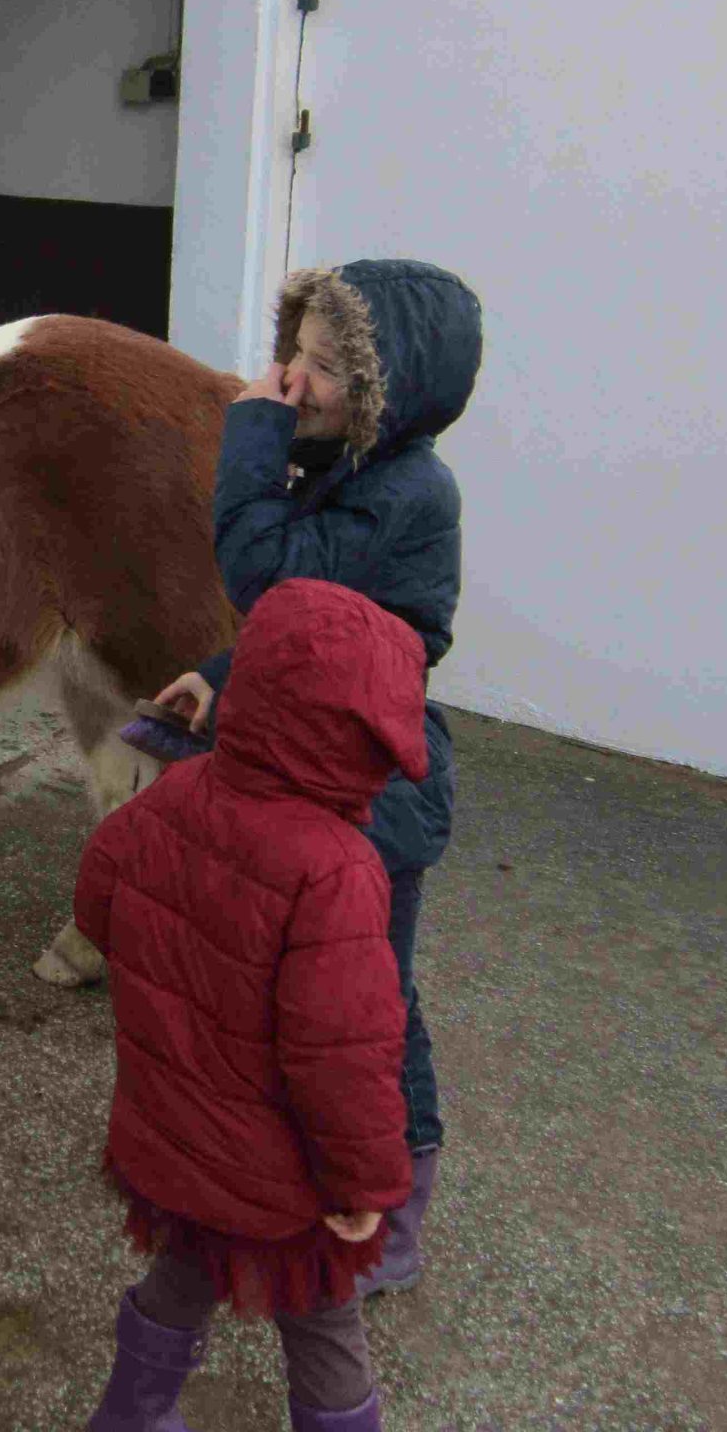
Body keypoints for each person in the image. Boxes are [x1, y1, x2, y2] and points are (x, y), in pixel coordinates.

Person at [154, 260, 482, 1296]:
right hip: (321, 768)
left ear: (390, 391)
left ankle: (395, 1215)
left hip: (377, 791)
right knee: (301, 998)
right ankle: (305, 1178)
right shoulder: (350, 472)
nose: (293, 380)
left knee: (370, 1007)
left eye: (327, 366)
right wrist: (219, 677)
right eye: (293, 353)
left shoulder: (408, 492)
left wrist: (252, 436)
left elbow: (270, 576)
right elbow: (310, 630)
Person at [78, 579, 427, 1432]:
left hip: (179, 1136)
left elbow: (97, 902)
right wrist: (365, 1184)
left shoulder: (174, 795)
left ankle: (130, 1417)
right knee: (325, 1327)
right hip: (284, 1181)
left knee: (183, 1272)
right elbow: (342, 1058)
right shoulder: (338, 869)